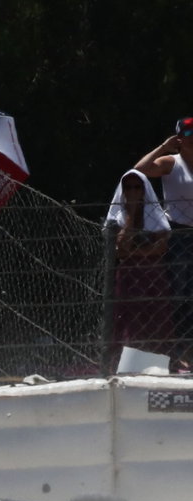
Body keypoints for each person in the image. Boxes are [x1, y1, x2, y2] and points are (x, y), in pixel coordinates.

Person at [106, 169, 177, 366]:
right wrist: (132, 213)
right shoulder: (118, 217)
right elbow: (121, 249)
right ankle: (126, 363)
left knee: (156, 317)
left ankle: (159, 362)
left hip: (152, 274)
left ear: (145, 190)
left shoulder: (155, 214)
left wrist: (134, 253)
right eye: (128, 188)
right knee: (128, 319)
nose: (133, 192)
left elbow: (161, 247)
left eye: (137, 187)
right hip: (129, 275)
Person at [133, 119, 193, 352]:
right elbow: (139, 171)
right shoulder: (171, 163)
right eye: (187, 132)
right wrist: (163, 147)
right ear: (179, 137)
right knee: (180, 290)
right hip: (180, 233)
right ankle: (181, 347)